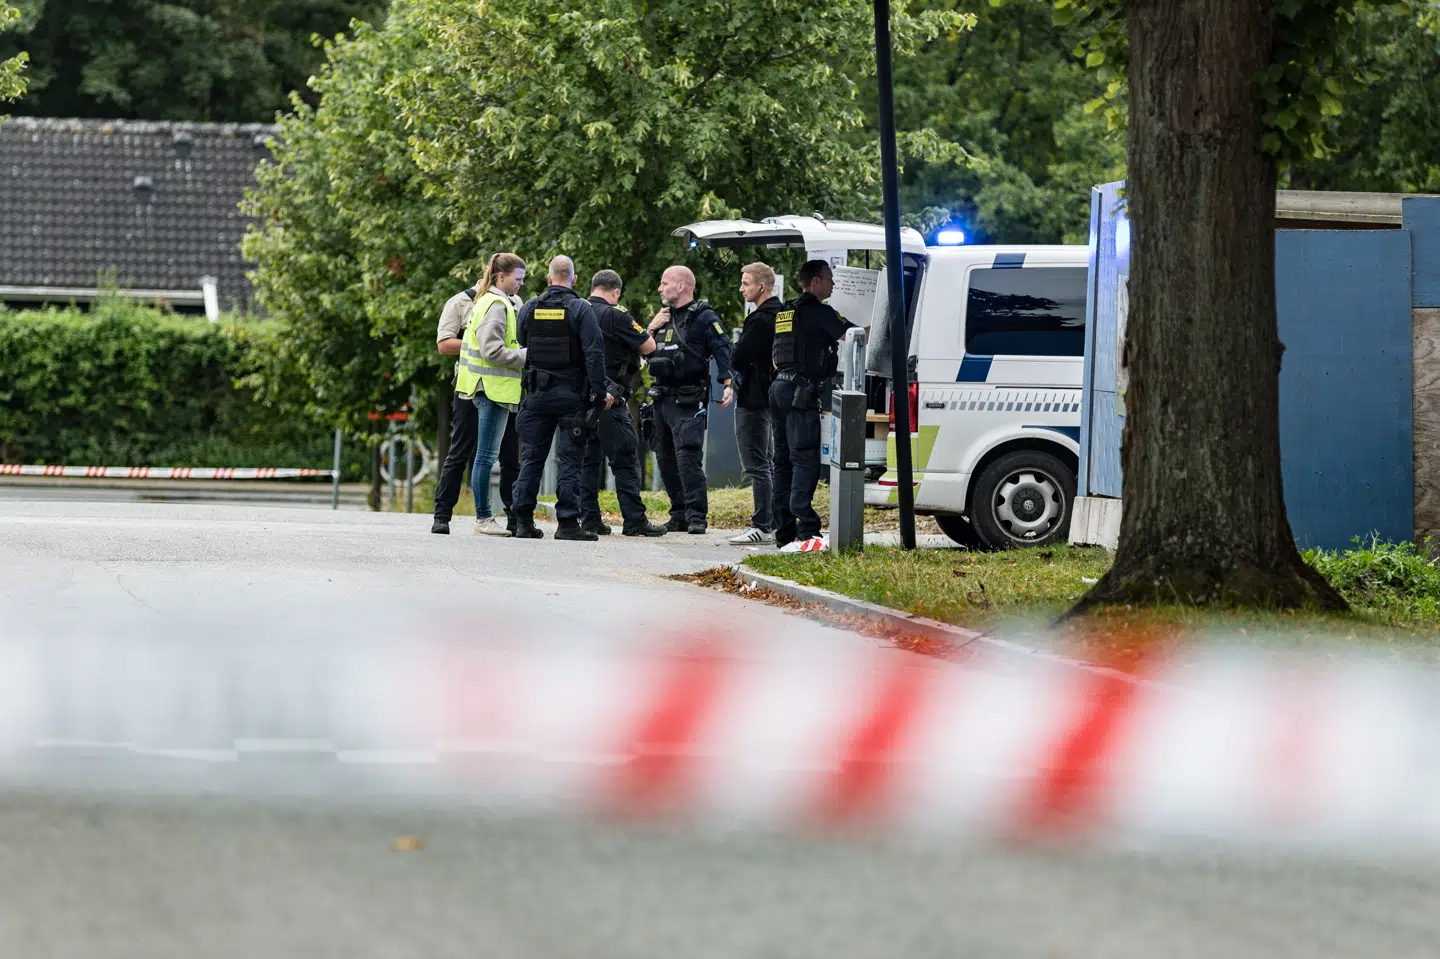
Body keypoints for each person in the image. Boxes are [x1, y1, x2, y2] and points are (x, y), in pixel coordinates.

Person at [509, 255, 610, 541]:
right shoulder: (581, 309)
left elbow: (523, 341)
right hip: (571, 398)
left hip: (538, 396)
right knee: (570, 461)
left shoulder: (529, 307)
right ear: (574, 280)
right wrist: (600, 394)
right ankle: (567, 524)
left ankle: (522, 522)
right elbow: (593, 354)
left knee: (531, 459)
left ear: (549, 278)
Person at [771, 259, 855, 552]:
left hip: (779, 387)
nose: (833, 284)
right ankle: (807, 528)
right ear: (816, 281)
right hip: (800, 392)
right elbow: (854, 336)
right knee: (804, 458)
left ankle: (784, 530)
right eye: (830, 279)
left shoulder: (786, 311)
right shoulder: (820, 312)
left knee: (782, 461)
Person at [578, 270, 668, 537]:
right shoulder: (616, 315)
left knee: (588, 462)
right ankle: (635, 520)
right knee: (626, 459)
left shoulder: (577, 312)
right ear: (615, 292)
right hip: (609, 401)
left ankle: (590, 519)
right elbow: (648, 346)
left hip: (581, 401)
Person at [645, 265, 733, 535]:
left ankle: (697, 516)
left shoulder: (703, 317)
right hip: (661, 398)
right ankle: (679, 513)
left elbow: (721, 346)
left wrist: (727, 382)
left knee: (687, 458)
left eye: (664, 283)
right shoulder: (662, 317)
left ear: (681, 286)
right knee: (665, 459)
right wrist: (650, 328)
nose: (660, 288)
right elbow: (642, 352)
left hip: (688, 399)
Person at [431, 278, 522, 536]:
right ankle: (442, 514)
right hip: (470, 387)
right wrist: (481, 341)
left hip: (503, 387)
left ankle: (514, 516)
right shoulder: (459, 302)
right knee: (461, 450)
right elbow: (443, 343)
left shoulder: (514, 302)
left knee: (509, 453)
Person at [455, 252, 528, 536]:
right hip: (492, 389)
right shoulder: (497, 305)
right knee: (486, 457)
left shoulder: (491, 301)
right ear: (501, 276)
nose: (520, 284)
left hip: (488, 388)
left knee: (485, 456)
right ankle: (483, 518)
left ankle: (484, 517)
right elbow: (492, 350)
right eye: (517, 278)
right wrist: (525, 356)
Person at [727, 262, 783, 545]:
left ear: (761, 286)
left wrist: (736, 348)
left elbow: (737, 356)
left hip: (752, 398)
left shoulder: (761, 319)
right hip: (771, 395)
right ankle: (771, 522)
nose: (741, 288)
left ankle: (761, 525)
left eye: (746, 283)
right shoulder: (783, 313)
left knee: (756, 464)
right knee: (768, 463)